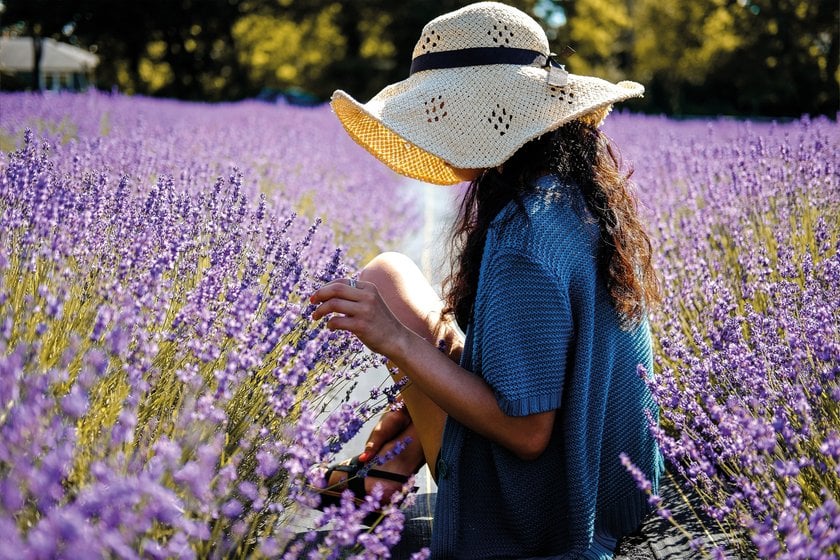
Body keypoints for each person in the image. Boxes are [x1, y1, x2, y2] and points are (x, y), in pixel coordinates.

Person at [309, 2, 663, 558]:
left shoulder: (525, 236)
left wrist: (394, 341)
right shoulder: (576, 196)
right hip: (608, 485)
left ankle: (386, 471)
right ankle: (395, 461)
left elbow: (527, 433)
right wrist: (412, 399)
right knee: (389, 274)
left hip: (542, 513)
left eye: (439, 109)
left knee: (387, 301)